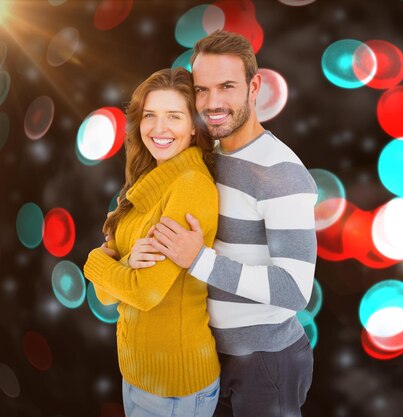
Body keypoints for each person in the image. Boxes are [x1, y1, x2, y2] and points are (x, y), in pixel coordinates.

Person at [129, 31, 318, 417]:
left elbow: (296, 289)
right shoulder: (206, 155)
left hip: (265, 362)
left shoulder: (281, 174)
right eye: (202, 90)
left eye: (227, 87)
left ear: (254, 86)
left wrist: (199, 260)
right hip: (209, 358)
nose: (212, 103)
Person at [83, 67, 221, 417]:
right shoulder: (149, 179)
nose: (159, 129)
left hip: (175, 388)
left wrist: (97, 263)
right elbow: (105, 296)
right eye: (150, 116)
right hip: (138, 377)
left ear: (194, 126)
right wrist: (127, 266)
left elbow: (144, 293)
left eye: (173, 116)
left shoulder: (190, 186)